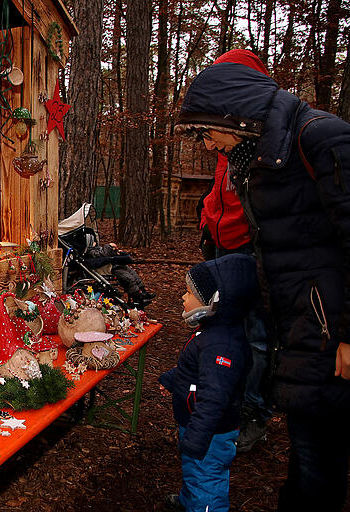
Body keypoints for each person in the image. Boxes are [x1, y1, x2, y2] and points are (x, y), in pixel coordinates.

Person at [175, 61, 350, 511]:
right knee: (309, 453)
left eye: (207, 131)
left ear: (234, 116)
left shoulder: (320, 138)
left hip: (330, 332)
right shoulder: (260, 159)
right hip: (298, 327)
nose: (208, 143)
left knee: (318, 461)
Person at [196, 49, 272, 453]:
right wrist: (208, 216)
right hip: (222, 244)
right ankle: (221, 397)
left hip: (251, 250)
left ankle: (255, 411)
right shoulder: (228, 143)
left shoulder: (260, 139)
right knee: (224, 327)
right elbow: (222, 191)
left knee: (258, 335)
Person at [159, 254, 258, 512]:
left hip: (210, 433)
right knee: (195, 472)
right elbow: (197, 372)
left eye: (190, 293)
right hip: (198, 427)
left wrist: (195, 438)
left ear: (214, 302)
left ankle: (203, 505)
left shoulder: (221, 346)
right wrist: (172, 379)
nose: (183, 297)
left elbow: (214, 398)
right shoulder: (213, 332)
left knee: (206, 478)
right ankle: (190, 500)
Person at [84, 241, 156, 304]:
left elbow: (106, 254)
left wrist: (116, 252)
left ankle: (143, 292)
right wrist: (109, 246)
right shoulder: (90, 252)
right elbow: (104, 255)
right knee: (129, 278)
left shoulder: (98, 248)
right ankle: (137, 297)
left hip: (114, 264)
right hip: (108, 268)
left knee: (133, 274)